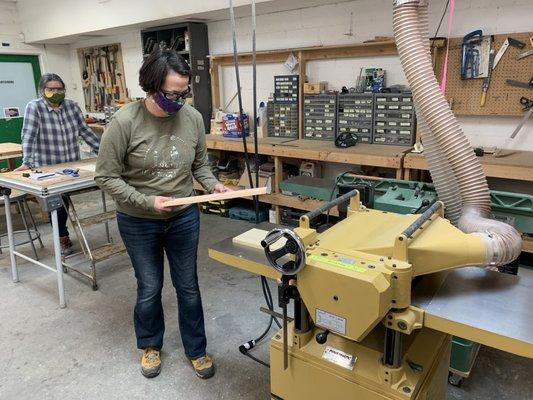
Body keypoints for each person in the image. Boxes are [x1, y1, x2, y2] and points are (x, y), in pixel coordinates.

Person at [95, 48, 229, 380]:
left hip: (183, 215)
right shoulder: (124, 121)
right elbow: (106, 176)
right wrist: (146, 201)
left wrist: (213, 186)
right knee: (150, 286)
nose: (179, 100)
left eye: (184, 92)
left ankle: (196, 350)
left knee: (188, 286)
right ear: (151, 86)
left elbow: (200, 166)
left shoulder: (193, 118)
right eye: (172, 93)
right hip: (139, 219)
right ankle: (150, 345)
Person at [18, 73, 100, 255]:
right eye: (51, 89)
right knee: (57, 202)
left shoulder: (72, 106)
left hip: (70, 164)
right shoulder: (35, 107)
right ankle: (62, 236)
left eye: (59, 89)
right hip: (47, 166)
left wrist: (103, 153)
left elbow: (85, 131)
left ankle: (61, 232)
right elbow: (28, 136)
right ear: (42, 91)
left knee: (64, 200)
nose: (55, 92)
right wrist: (27, 162)